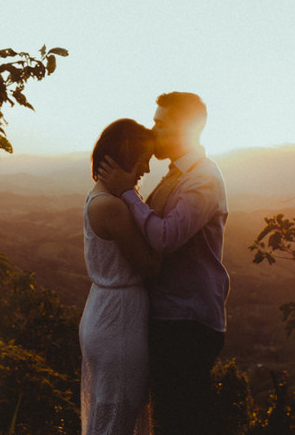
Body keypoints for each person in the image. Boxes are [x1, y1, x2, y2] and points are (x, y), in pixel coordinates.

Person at [97, 92, 229, 435]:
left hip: (189, 320)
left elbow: (165, 237)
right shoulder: (175, 174)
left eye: (161, 124)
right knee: (171, 417)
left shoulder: (203, 179)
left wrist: (127, 192)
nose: (153, 130)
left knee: (183, 420)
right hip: (169, 316)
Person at [80, 118, 162, 435]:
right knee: (116, 420)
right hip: (118, 322)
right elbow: (151, 265)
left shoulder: (102, 198)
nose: (147, 169)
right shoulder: (111, 206)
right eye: (144, 159)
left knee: (111, 415)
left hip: (107, 313)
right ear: (127, 156)